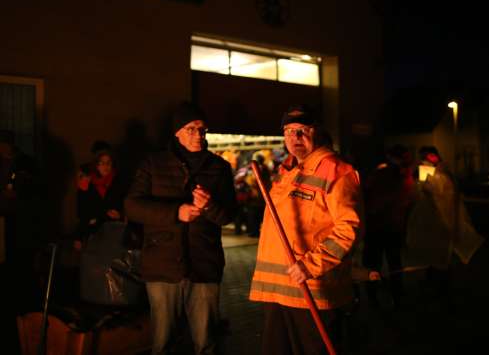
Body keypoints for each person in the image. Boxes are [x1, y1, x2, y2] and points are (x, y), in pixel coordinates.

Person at [249, 104, 363, 354]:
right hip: (278, 292)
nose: (295, 138)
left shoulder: (336, 171)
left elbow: (348, 229)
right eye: (289, 132)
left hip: (310, 291)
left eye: (302, 130)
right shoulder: (287, 172)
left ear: (317, 132)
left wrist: (310, 265)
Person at [125, 102, 237, 355]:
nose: (198, 135)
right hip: (162, 266)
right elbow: (132, 206)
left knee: (206, 341)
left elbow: (229, 215)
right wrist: (176, 212)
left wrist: (209, 206)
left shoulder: (218, 168)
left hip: (204, 264)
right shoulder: (153, 164)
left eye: (202, 130)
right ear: (176, 132)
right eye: (191, 129)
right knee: (163, 342)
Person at [406, 146, 484, 302]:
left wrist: (428, 189)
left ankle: (440, 288)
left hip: (441, 223)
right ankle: (435, 284)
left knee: (440, 257)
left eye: (425, 158)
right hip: (433, 223)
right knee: (434, 256)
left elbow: (442, 199)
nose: (423, 161)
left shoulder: (442, 177)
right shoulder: (440, 176)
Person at [361, 144, 416, 308]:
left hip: (377, 225)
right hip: (393, 226)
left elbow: (368, 194)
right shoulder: (405, 175)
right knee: (394, 261)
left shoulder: (382, 173)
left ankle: (373, 295)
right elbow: (407, 202)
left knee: (373, 262)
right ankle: (396, 296)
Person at [74, 146, 128, 250]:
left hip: (114, 232)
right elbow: (82, 211)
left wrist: (120, 215)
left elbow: (126, 205)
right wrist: (78, 237)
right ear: (96, 165)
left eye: (108, 163)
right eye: (101, 163)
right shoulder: (86, 184)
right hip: (93, 233)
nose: (105, 166)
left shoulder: (119, 183)